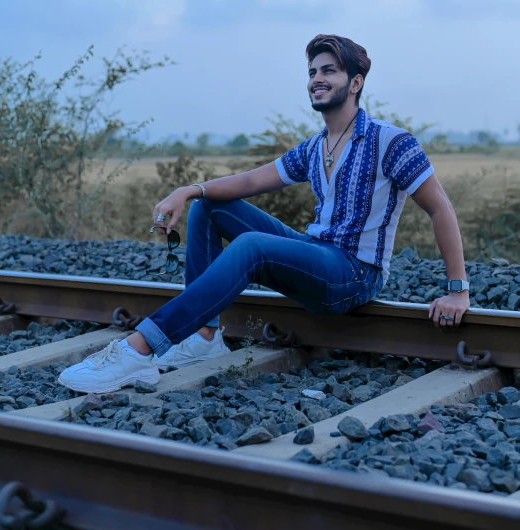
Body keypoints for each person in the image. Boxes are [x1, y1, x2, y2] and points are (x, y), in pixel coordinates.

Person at [59, 34, 470, 394]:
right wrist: (188, 190)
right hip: (316, 254)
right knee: (209, 206)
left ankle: (141, 348)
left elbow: (440, 208)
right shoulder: (316, 147)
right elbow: (251, 182)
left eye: (329, 70)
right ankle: (203, 337)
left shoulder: (390, 141)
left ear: (356, 82)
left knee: (252, 246)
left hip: (355, 274)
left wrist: (457, 289)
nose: (317, 78)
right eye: (312, 72)